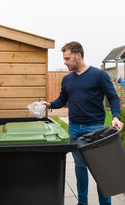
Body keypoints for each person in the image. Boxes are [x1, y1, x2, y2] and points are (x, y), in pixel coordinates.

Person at [41, 41, 124, 205]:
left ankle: (105, 203)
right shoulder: (67, 79)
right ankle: (83, 202)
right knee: (79, 167)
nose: (65, 62)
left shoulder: (99, 75)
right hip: (74, 128)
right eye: (64, 59)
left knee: (101, 169)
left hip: (95, 129)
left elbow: (113, 97)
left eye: (67, 58)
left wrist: (116, 117)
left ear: (78, 55)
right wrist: (49, 105)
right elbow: (62, 101)